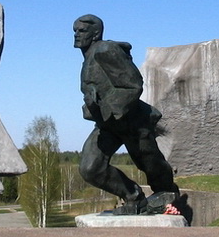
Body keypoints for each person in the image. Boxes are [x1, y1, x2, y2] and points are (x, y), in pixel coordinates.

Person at [73, 14, 179, 215]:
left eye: (82, 31)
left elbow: (133, 84)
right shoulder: (88, 57)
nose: (77, 35)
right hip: (108, 124)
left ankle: (167, 194)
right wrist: (93, 104)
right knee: (90, 168)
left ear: (96, 34)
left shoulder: (106, 50)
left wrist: (104, 105)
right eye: (75, 31)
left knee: (150, 163)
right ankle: (133, 196)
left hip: (132, 121)